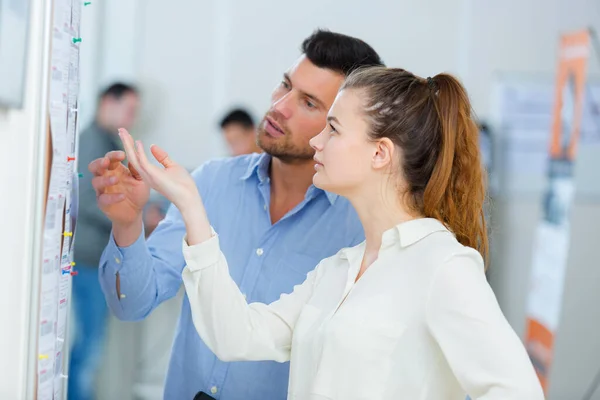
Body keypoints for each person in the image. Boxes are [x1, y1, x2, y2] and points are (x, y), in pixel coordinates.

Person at [117, 67, 545, 399]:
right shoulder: (340, 268)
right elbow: (236, 335)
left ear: (380, 153)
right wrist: (192, 205)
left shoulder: (442, 265)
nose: (317, 142)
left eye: (334, 129)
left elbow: (516, 391)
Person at [89, 30, 383, 399]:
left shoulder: (360, 229)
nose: (280, 106)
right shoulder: (212, 182)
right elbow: (131, 303)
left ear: (343, 127)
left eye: (309, 103)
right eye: (285, 85)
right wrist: (127, 222)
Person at [70, 83, 139, 400]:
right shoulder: (91, 142)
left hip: (97, 260)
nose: (132, 117)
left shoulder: (108, 142)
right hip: (85, 261)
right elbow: (83, 200)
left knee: (92, 345)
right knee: (89, 347)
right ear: (107, 101)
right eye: (129, 109)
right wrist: (125, 216)